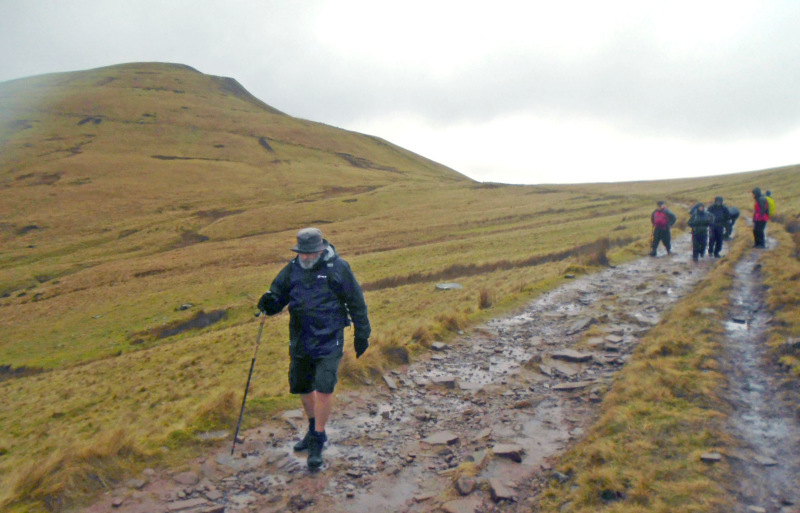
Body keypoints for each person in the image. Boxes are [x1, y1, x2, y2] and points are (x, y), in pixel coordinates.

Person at [257, 227, 371, 469]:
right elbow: (277, 295)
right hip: (300, 337)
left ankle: (318, 438)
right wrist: (269, 303)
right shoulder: (292, 269)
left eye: (310, 253)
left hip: (330, 337)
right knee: (301, 385)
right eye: (302, 253)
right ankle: (312, 428)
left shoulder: (339, 268)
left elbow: (356, 302)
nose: (305, 257)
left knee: (324, 386)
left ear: (320, 250)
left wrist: (363, 333)